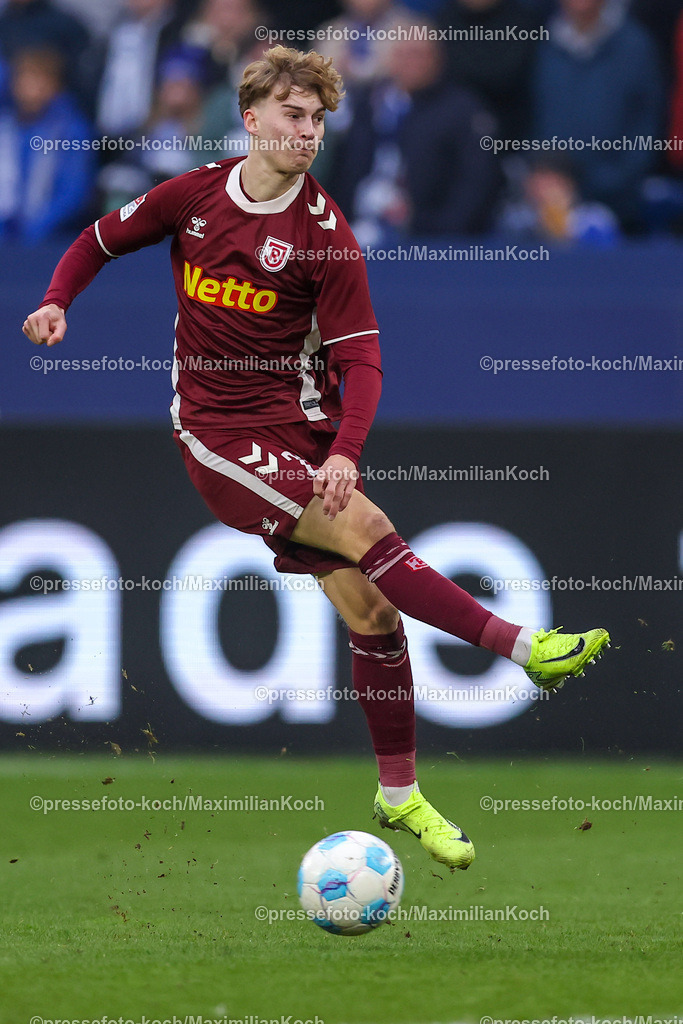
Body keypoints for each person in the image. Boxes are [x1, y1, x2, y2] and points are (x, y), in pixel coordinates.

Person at [23, 46, 610, 872]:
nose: (307, 131)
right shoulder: (191, 197)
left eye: (318, 119)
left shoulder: (325, 233)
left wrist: (342, 449)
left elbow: (363, 361)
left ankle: (398, 796)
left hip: (302, 429)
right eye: (293, 116)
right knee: (363, 523)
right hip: (217, 432)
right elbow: (95, 239)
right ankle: (519, 648)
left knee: (373, 615)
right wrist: (54, 300)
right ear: (252, 118)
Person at [0, 46, 94, 243]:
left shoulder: (71, 129)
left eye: (38, 81)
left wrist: (32, 231)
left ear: (54, 85)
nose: (30, 90)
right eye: (24, 80)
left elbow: (74, 193)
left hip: (52, 241)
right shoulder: (7, 127)